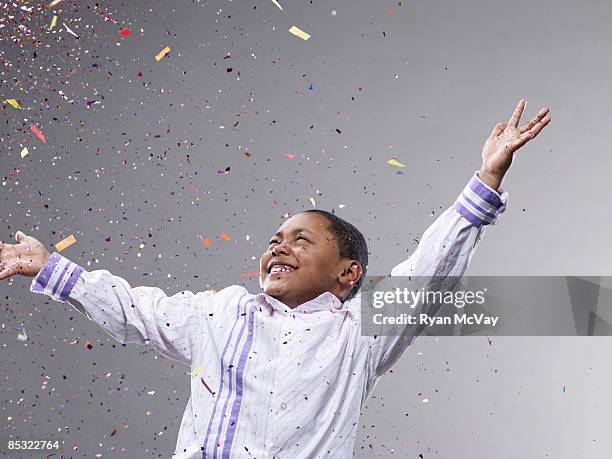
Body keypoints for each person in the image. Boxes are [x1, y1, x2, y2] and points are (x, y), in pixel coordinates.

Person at [0, 100, 551, 458]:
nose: (279, 247)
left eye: (302, 240)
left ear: (347, 273)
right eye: (274, 240)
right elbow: (135, 309)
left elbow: (428, 272)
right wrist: (50, 267)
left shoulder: (360, 334)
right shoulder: (219, 315)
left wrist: (488, 176)